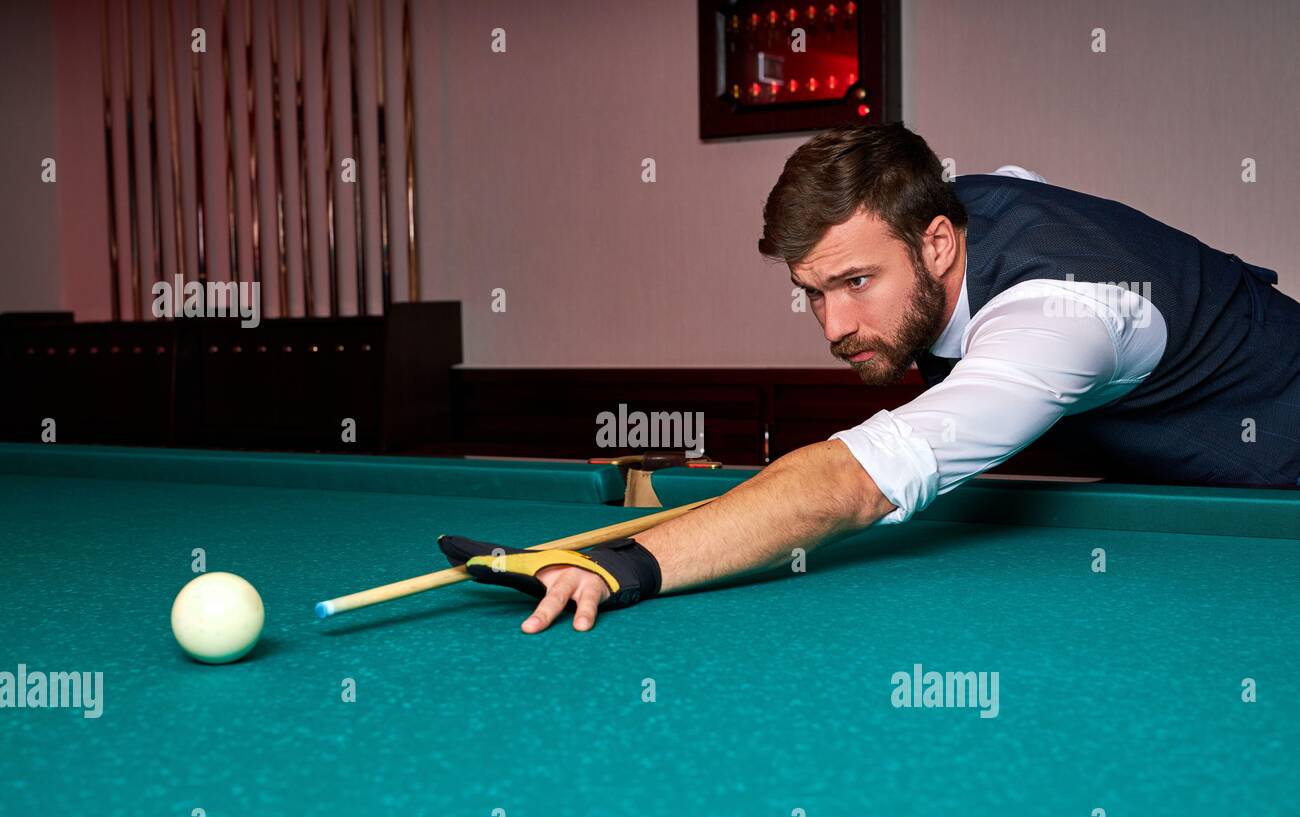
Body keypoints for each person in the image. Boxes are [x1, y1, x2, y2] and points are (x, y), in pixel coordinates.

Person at [440, 123, 1300, 632]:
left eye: (855, 284)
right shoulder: (944, 207)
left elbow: (851, 487)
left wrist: (620, 566)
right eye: (811, 294)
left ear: (935, 243)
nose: (836, 327)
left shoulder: (1059, 319)